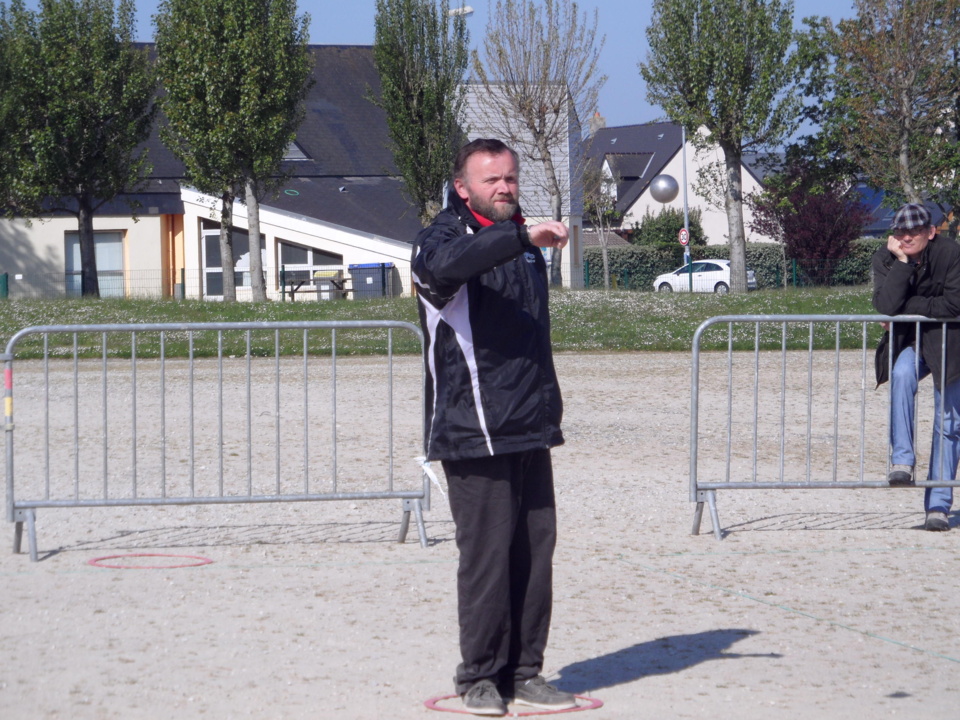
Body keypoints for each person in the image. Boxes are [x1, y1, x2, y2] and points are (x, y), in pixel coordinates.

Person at [411, 138, 576, 716]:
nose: (505, 188)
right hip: (473, 428)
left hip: (530, 424)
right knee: (486, 558)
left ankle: (524, 671)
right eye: (491, 180)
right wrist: (520, 238)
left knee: (534, 554)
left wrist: (548, 411)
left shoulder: (524, 242)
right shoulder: (439, 240)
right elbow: (449, 267)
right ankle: (479, 676)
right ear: (462, 188)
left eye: (510, 178)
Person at [872, 202, 959, 532]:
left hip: (951, 343)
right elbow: (885, 304)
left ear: (931, 232)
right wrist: (902, 264)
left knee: (948, 423)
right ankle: (902, 460)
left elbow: (955, 304)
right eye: (900, 231)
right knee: (901, 373)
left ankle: (938, 505)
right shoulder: (886, 257)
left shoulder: (951, 253)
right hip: (912, 341)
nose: (906, 237)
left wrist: (907, 308)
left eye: (915, 231)